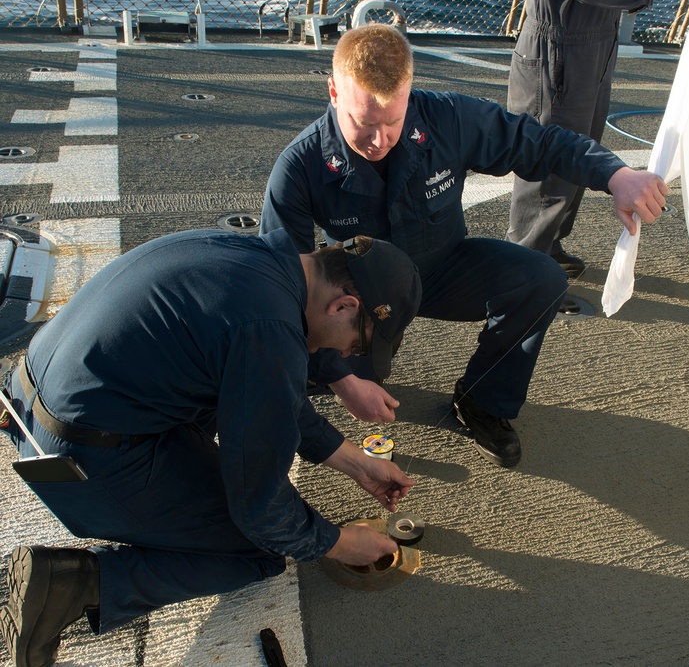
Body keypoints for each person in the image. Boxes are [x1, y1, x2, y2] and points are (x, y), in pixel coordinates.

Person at [0, 228, 421, 667]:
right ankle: (74, 583)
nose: (346, 355)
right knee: (263, 546)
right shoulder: (269, 329)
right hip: (81, 459)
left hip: (31, 400)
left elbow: (266, 388)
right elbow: (263, 512)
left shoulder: (259, 260)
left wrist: (355, 462)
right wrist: (337, 542)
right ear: (345, 306)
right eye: (357, 345)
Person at [260, 23, 669, 469]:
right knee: (330, 376)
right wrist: (339, 379)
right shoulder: (298, 167)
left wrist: (616, 175)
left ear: (409, 94)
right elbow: (282, 285)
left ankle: (481, 401)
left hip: (441, 266)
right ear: (334, 93)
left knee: (541, 279)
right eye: (364, 123)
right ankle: (344, 372)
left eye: (393, 122)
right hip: (363, 296)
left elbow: (539, 143)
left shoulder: (447, 118)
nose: (379, 140)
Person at [506, 0, 689, 290]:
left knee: (579, 155)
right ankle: (524, 278)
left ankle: (547, 250)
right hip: (561, 47)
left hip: (592, 42)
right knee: (551, 167)